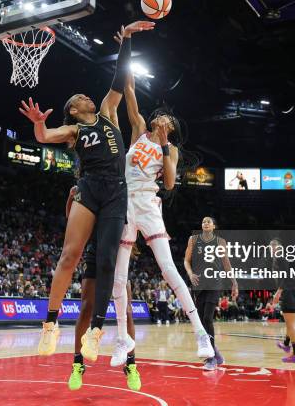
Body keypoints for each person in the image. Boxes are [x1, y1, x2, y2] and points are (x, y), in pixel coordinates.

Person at [19, 20, 155, 360]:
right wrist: (39, 123)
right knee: (69, 254)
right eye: (79, 97)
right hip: (90, 187)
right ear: (75, 110)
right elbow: (43, 137)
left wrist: (125, 41)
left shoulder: (109, 111)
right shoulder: (73, 129)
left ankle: (95, 331)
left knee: (107, 261)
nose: (85, 95)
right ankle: (50, 324)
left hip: (116, 190)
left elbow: (119, 77)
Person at [109, 45, 215, 367]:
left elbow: (169, 183)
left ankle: (200, 333)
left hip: (149, 205)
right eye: (162, 116)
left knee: (169, 270)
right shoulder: (139, 129)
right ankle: (122, 339)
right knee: (118, 276)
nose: (163, 118)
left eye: (168, 120)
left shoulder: (171, 152)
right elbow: (128, 89)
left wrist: (168, 144)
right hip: (125, 201)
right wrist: (125, 49)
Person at [64, 187, 141, 391]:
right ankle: (78, 364)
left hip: (118, 256)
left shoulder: (122, 188)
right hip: (95, 251)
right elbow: (73, 220)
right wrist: (71, 198)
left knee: (126, 312)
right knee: (87, 307)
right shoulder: (90, 187)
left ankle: (131, 365)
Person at [184, 216, 238, 370]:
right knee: (201, 321)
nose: (205, 223)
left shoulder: (220, 242)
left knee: (208, 318)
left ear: (214, 226)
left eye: (208, 221)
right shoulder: (193, 240)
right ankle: (215, 353)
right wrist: (190, 274)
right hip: (198, 284)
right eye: (203, 221)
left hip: (214, 282)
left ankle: (211, 358)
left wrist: (234, 282)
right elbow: (186, 260)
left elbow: (226, 263)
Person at [271, 238, 295, 363]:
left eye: (275, 246)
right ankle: (287, 346)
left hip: (289, 292)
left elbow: (284, 275)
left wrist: (278, 292)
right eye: (272, 247)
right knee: (290, 325)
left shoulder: (280, 258)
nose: (273, 249)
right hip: (291, 292)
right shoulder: (278, 259)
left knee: (291, 326)